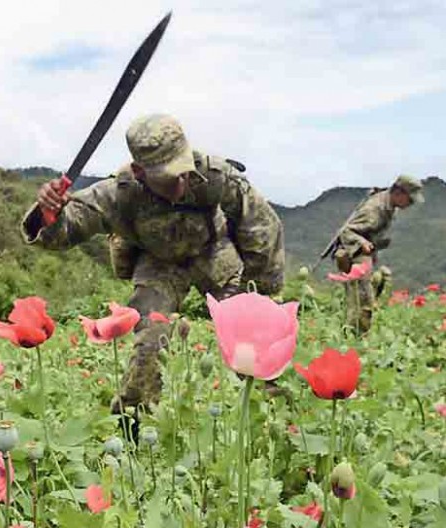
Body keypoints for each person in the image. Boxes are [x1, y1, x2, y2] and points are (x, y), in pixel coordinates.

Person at [22, 114, 282, 418]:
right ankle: (137, 418)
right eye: (169, 178)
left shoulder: (214, 175)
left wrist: (260, 296)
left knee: (251, 328)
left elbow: (261, 227)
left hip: (212, 253)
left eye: (183, 172)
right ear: (139, 172)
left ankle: (272, 412)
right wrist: (48, 214)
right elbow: (68, 228)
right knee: (150, 337)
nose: (181, 183)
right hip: (159, 263)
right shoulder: (117, 193)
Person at [333, 174, 424, 333]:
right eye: (409, 199)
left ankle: (356, 332)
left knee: (365, 295)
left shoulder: (389, 204)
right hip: (354, 254)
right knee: (363, 301)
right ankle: (355, 335)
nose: (410, 204)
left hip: (366, 254)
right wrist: (362, 242)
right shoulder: (373, 209)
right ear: (398, 193)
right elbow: (346, 232)